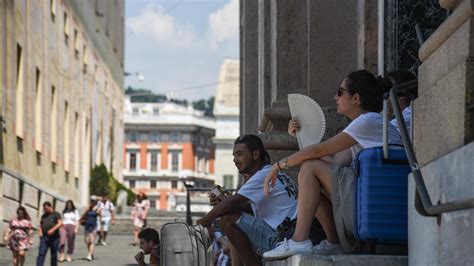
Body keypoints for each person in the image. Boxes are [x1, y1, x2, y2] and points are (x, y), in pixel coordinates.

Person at [263, 70, 403, 259]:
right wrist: (300, 138)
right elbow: (332, 162)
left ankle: (299, 239)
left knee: (310, 167)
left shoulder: (367, 121)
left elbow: (318, 153)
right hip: (371, 199)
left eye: (340, 92)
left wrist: (278, 165)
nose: (335, 97)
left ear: (356, 98)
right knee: (312, 183)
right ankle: (334, 242)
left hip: (376, 201)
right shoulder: (365, 125)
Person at [197, 134, 298, 266]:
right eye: (234, 155)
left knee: (229, 219)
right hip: (290, 234)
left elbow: (230, 205)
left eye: (239, 154)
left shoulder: (262, 175)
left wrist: (199, 224)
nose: (235, 160)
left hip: (284, 239)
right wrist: (225, 201)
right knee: (234, 219)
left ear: (255, 154)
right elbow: (242, 207)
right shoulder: (273, 173)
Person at [36, 201, 63, 266]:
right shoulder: (43, 216)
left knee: (53, 254)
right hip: (44, 237)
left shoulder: (56, 214)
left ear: (51, 207)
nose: (44, 210)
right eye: (44, 208)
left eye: (46, 208)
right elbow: (40, 225)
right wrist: (40, 232)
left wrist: (52, 229)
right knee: (41, 253)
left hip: (54, 237)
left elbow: (60, 223)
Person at [82, 195, 101, 261]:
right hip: (87, 226)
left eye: (93, 201)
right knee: (88, 242)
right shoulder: (88, 207)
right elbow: (83, 215)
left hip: (94, 226)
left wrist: (100, 227)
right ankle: (90, 253)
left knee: (92, 241)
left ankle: (89, 254)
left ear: (96, 201)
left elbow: (100, 216)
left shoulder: (98, 208)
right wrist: (87, 210)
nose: (92, 202)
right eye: (91, 200)